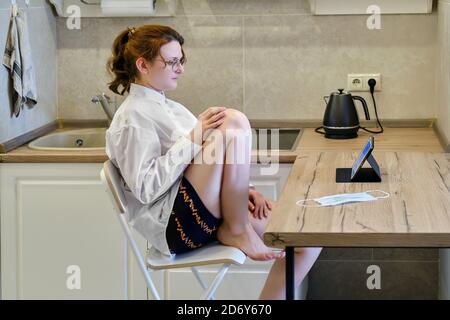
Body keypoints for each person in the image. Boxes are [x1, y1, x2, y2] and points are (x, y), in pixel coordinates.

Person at [105, 24, 321, 299]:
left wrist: (243, 190)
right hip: (175, 225)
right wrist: (195, 136)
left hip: (203, 209)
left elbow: (203, 161)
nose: (180, 69)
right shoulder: (132, 118)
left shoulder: (170, 107)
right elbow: (146, 188)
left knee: (306, 235)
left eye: (181, 61)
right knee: (232, 121)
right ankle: (237, 228)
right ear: (143, 65)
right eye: (172, 61)